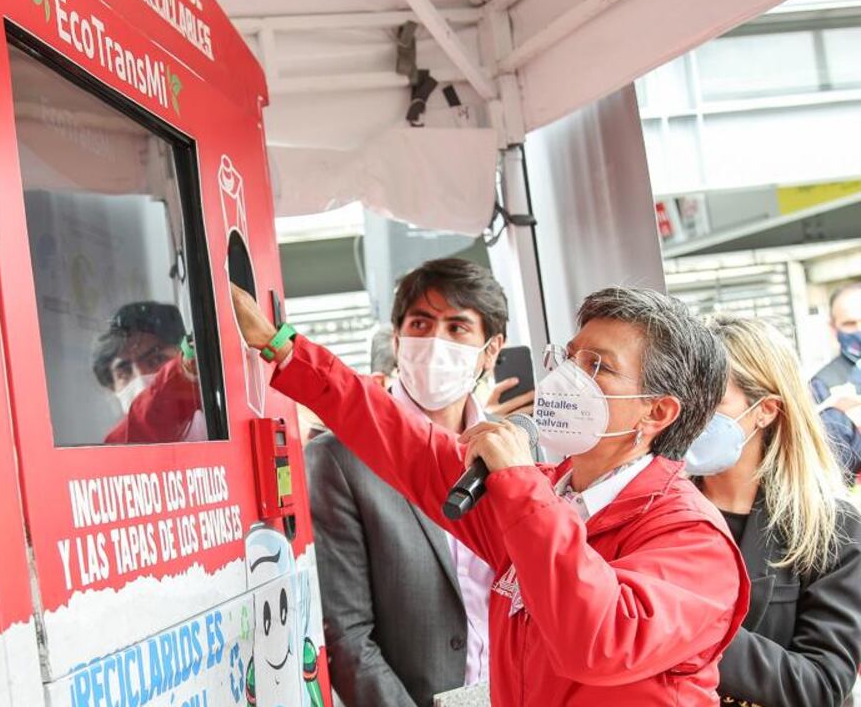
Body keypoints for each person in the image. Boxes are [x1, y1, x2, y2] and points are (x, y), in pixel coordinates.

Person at [231, 283, 748, 706]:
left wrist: (523, 487)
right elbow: (403, 442)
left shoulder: (690, 538)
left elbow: (598, 640)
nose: (568, 378)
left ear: (657, 412)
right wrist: (286, 350)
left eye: (599, 367)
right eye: (570, 358)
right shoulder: (541, 496)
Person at [305, 259, 510, 706]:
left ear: (491, 350)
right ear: (398, 339)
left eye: (458, 328)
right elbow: (347, 636)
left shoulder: (514, 448)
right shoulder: (339, 459)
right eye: (421, 323)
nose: (436, 342)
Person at [688, 315, 861, 707]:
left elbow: (821, 684)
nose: (691, 408)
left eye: (711, 396)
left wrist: (692, 626)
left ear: (765, 410)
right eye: (685, 390)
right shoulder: (659, 507)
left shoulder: (829, 527)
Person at [92, 302, 203, 444]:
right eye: (125, 373)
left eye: (155, 360)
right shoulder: (118, 447)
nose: (141, 379)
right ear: (112, 391)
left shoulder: (219, 411)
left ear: (180, 352)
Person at [809, 283, 861, 478]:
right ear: (833, 327)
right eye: (849, 323)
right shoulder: (821, 385)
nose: (859, 330)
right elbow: (832, 465)